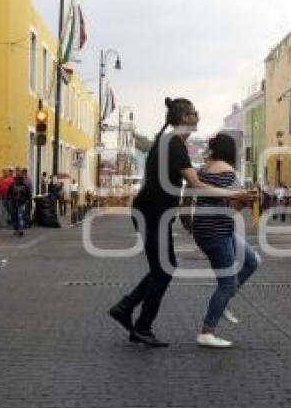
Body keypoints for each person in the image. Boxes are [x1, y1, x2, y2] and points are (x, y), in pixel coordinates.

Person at [108, 97, 254, 348]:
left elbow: (188, 185)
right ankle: (141, 325)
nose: (198, 116)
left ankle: (126, 307)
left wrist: (186, 211)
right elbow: (196, 184)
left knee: (163, 268)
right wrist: (234, 194)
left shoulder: (170, 142)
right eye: (195, 113)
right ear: (185, 118)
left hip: (154, 213)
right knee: (164, 269)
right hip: (151, 215)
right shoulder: (173, 145)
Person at [192, 132, 260, 348]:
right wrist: (247, 200)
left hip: (207, 228)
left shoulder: (202, 171)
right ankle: (207, 332)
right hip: (217, 230)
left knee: (251, 260)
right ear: (231, 151)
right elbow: (233, 208)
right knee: (227, 283)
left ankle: (223, 301)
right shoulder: (230, 174)